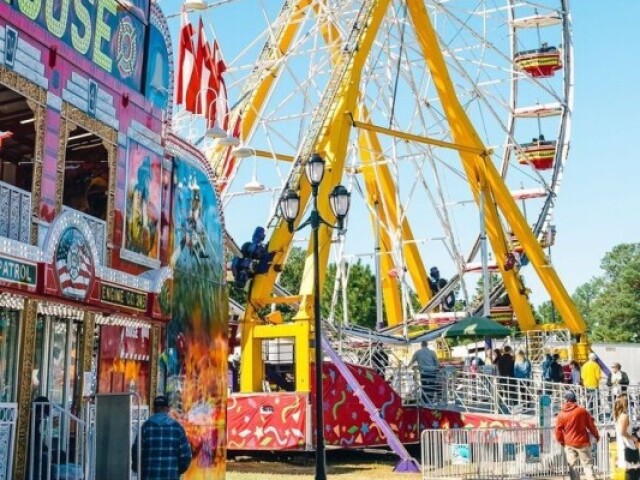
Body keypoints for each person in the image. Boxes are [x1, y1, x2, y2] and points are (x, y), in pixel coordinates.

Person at [132, 395, 192, 480]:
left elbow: (136, 453)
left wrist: (138, 469)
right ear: (167, 409)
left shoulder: (145, 427)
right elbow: (186, 456)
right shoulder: (177, 428)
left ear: (154, 409)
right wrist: (176, 471)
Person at [555, 390, 600, 480]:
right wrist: (596, 436)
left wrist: (561, 442)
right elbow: (591, 425)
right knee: (587, 465)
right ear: (574, 399)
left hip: (569, 443)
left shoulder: (561, 414)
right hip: (582, 442)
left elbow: (558, 431)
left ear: (566, 400)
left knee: (573, 466)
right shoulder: (582, 411)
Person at [614, 395, 640, 480]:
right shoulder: (624, 416)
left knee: (631, 469)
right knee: (634, 469)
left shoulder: (618, 416)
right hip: (629, 446)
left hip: (624, 446)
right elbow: (623, 432)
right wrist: (634, 438)